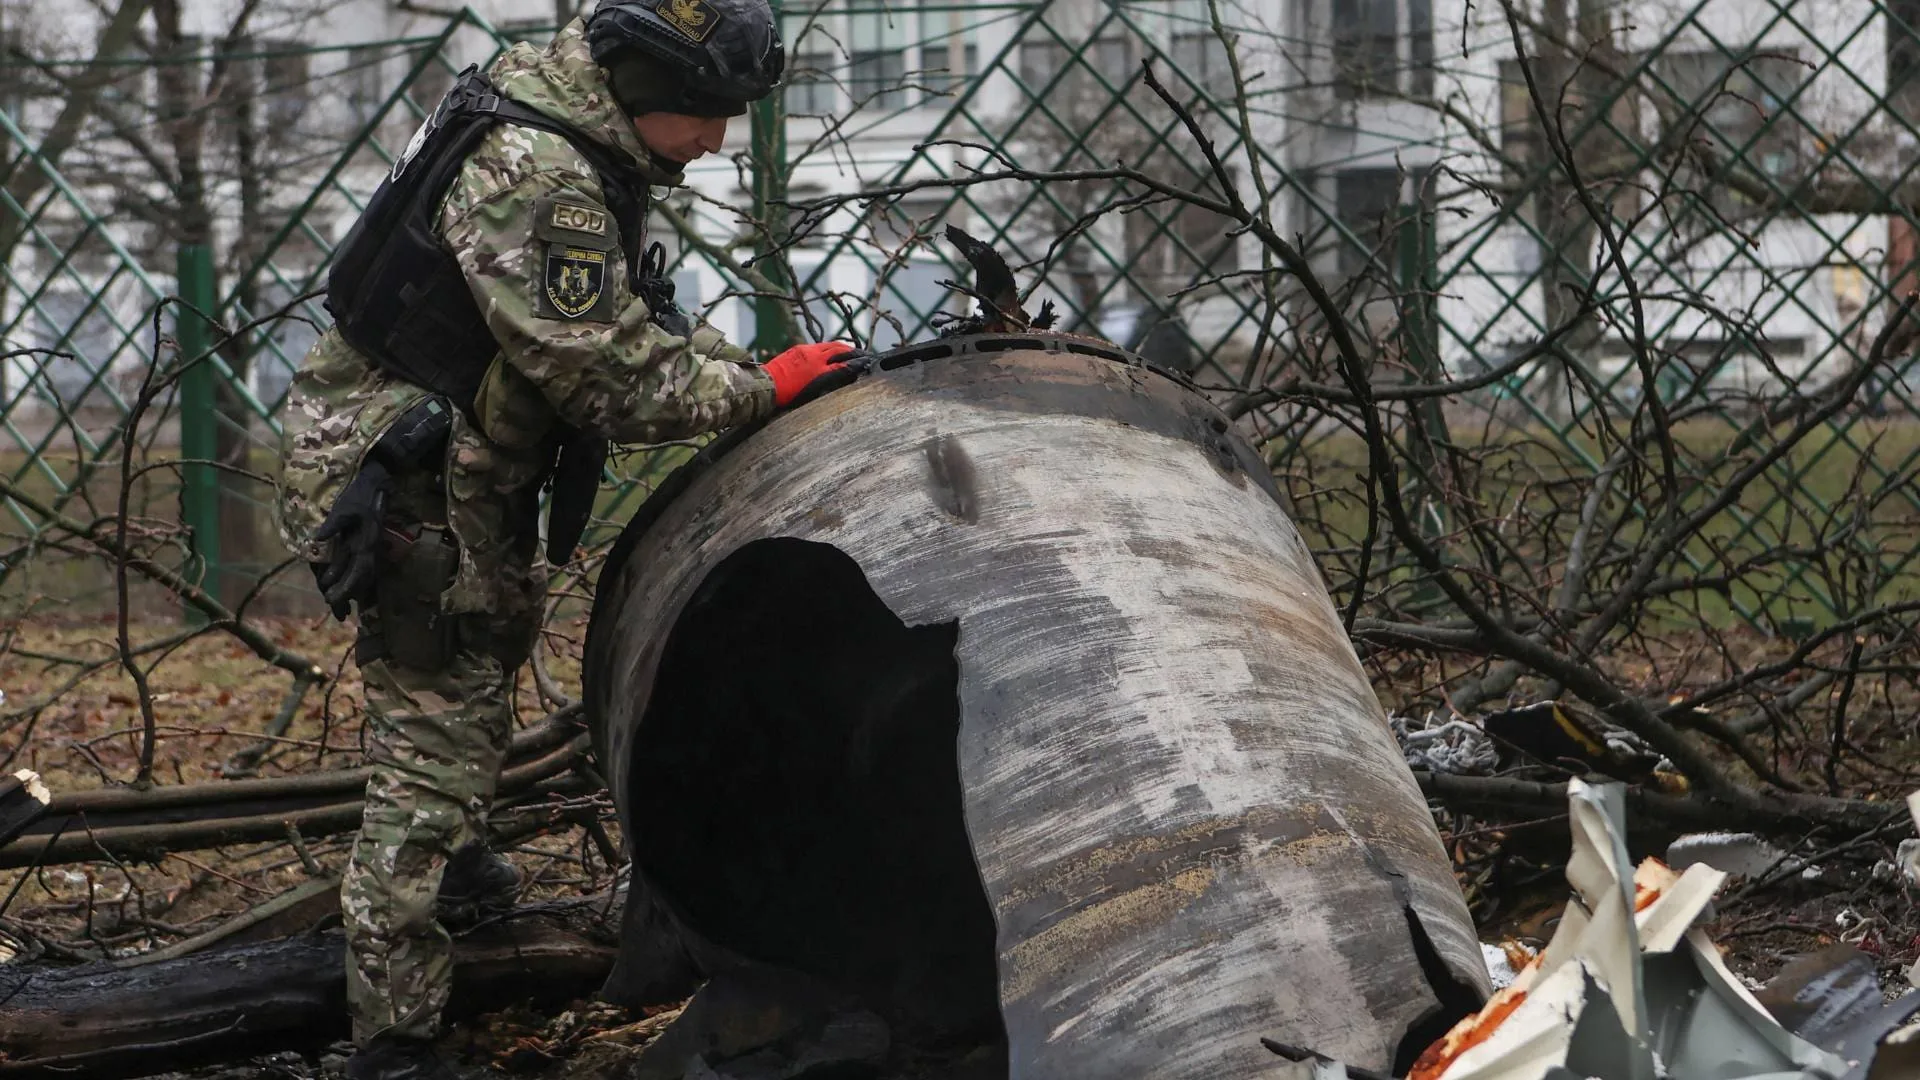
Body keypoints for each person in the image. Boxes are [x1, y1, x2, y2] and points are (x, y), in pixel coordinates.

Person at [273, 2, 852, 1076]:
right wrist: (759, 389)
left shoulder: (569, 129)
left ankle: (455, 875)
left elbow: (630, 320)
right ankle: (394, 1033)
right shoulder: (540, 170)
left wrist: (761, 364)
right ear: (642, 84)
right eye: (706, 114)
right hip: (403, 488)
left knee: (476, 662)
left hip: (451, 465)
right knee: (432, 746)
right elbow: (604, 374)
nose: (719, 141)